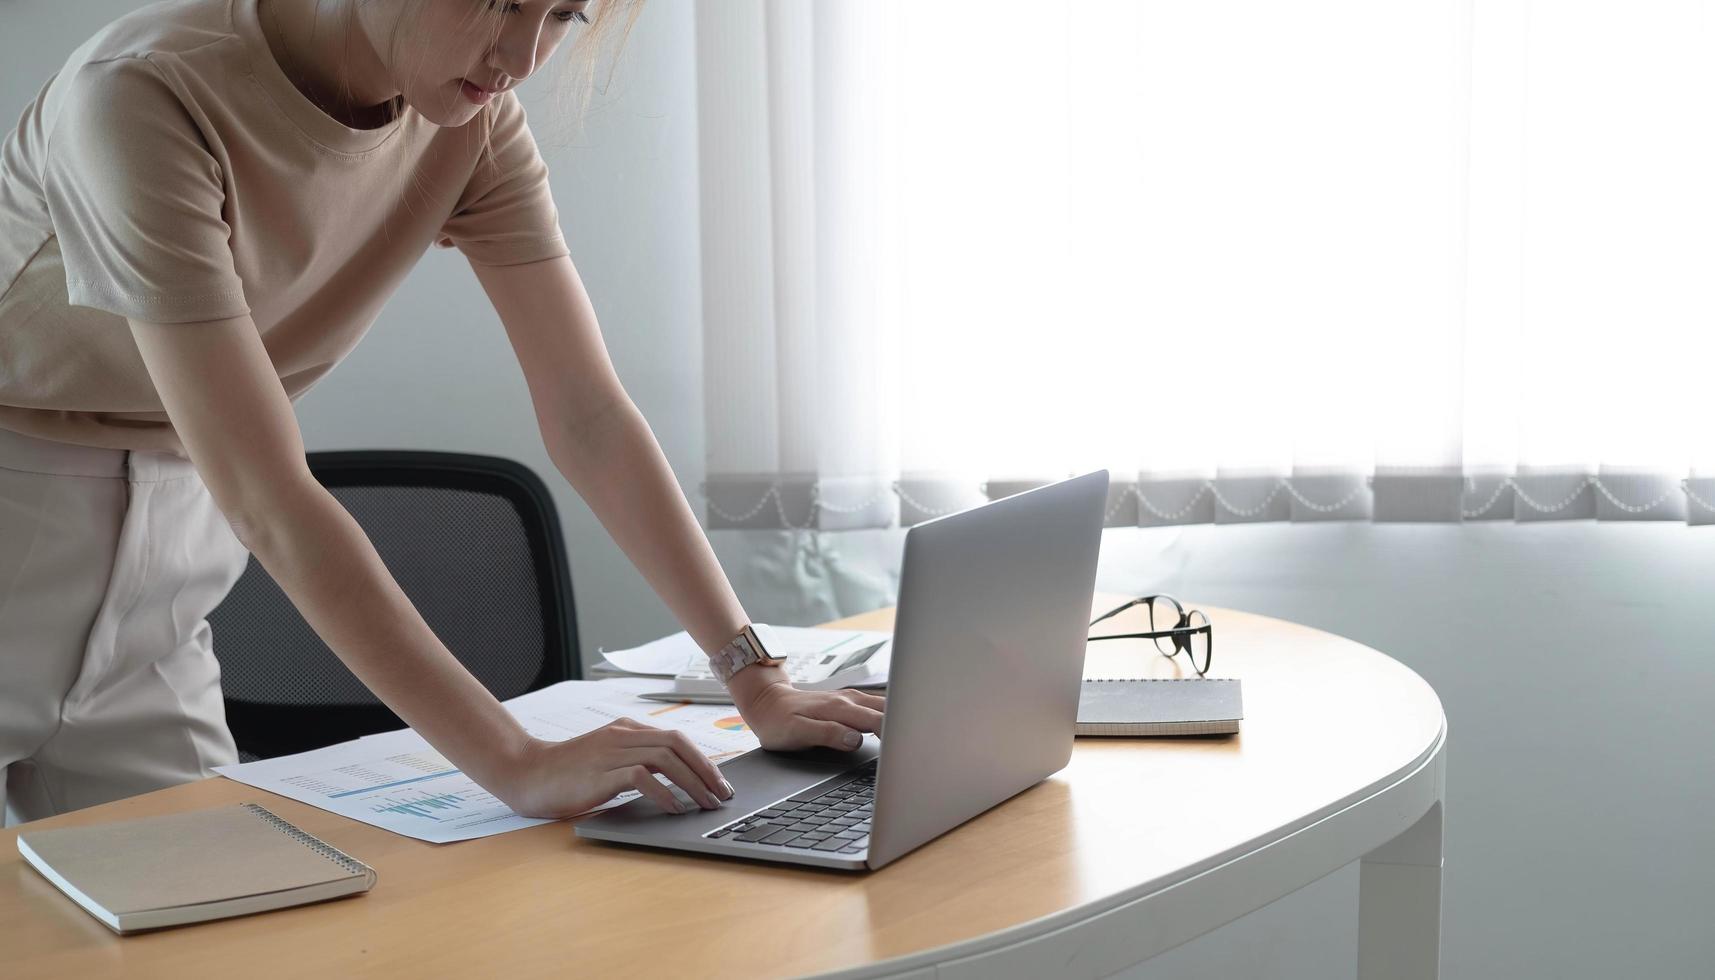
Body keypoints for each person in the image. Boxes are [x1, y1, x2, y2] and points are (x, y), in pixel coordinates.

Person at [0, 0, 885, 826]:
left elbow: (589, 414)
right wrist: (514, 759)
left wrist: (754, 679)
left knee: (186, 927)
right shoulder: (142, 93)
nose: (525, 55)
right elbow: (267, 493)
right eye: (503, 1)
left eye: (562, 13)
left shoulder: (472, 122)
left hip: (172, 555)